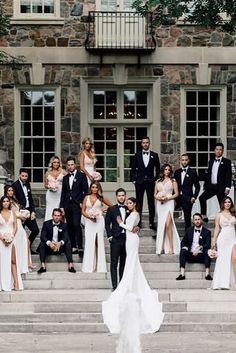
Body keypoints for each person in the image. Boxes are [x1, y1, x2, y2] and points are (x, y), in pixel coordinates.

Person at [102, 197, 164, 334]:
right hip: (128, 239)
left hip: (132, 239)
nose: (128, 205)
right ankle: (129, 282)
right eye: (128, 203)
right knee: (130, 261)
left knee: (131, 261)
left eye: (130, 203)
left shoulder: (135, 214)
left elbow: (131, 228)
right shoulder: (131, 214)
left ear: (135, 204)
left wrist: (120, 223)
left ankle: (130, 284)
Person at [59, 156, 88, 256]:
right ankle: (73, 246)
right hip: (67, 205)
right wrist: (61, 206)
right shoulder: (65, 178)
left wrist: (83, 203)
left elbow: (86, 191)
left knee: (76, 224)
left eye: (72, 164)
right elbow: (63, 193)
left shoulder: (81, 176)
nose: (70, 166)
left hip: (77, 204)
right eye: (68, 165)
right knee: (70, 226)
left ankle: (80, 247)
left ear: (75, 165)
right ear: (66, 166)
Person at [82, 181, 112, 273]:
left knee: (99, 242)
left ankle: (100, 266)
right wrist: (90, 217)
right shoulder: (86, 197)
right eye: (93, 187)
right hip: (89, 222)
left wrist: (102, 210)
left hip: (99, 221)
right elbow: (83, 211)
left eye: (96, 187)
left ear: (99, 188)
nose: (94, 189)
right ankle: (89, 266)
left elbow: (112, 206)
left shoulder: (101, 198)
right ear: (90, 188)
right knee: (90, 242)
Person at [131, 136, 160, 229]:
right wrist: (134, 180)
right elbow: (133, 169)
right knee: (138, 202)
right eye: (143, 142)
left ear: (149, 143)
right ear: (141, 144)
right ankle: (138, 222)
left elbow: (158, 169)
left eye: (147, 142)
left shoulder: (154, 155)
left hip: (150, 182)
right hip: (139, 182)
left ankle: (151, 222)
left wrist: (155, 179)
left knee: (151, 202)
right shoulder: (137, 155)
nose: (145, 144)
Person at [4, 185, 35, 273]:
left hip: (19, 224)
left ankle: (27, 263)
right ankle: (23, 263)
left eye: (12, 190)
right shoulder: (6, 201)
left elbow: (17, 211)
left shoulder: (14, 200)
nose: (11, 192)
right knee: (21, 243)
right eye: (9, 190)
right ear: (6, 191)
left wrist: (24, 213)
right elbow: (10, 213)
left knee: (26, 242)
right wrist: (21, 216)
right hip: (14, 223)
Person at [199, 142, 232, 222]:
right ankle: (204, 215)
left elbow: (228, 175)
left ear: (222, 151)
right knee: (202, 198)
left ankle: (225, 219)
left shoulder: (226, 162)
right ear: (214, 151)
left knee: (223, 205)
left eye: (220, 150)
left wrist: (227, 187)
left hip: (221, 187)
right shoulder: (211, 161)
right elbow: (208, 174)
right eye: (217, 149)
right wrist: (205, 186)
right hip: (211, 186)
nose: (218, 151)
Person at [37, 208, 76, 274]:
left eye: (58, 216)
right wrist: (49, 243)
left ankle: (71, 265)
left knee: (68, 243)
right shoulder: (46, 224)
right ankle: (43, 266)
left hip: (59, 248)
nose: (56, 217)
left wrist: (60, 243)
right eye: (55, 215)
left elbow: (66, 237)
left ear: (61, 217)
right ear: (52, 215)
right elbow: (42, 236)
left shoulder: (64, 225)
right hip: (50, 247)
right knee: (42, 244)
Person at [176, 213, 212, 281]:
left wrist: (199, 248)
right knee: (183, 250)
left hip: (201, 255)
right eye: (195, 219)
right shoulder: (189, 230)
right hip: (191, 255)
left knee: (208, 251)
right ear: (193, 221)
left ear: (201, 220)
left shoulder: (207, 232)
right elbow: (183, 241)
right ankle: (182, 274)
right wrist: (185, 247)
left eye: (198, 219)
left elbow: (208, 244)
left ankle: (207, 274)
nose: (197, 221)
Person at [105, 188, 128, 291]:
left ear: (125, 196)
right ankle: (114, 286)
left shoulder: (129, 208)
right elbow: (107, 223)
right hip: (115, 239)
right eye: (119, 195)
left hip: (126, 239)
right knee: (114, 263)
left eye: (123, 195)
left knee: (123, 263)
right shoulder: (112, 209)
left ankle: (122, 285)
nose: (121, 197)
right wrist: (110, 236)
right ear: (116, 197)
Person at [155, 164, 180, 255]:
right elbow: (155, 194)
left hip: (169, 203)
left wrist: (167, 198)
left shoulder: (173, 180)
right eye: (165, 169)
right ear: (163, 170)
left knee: (168, 223)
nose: (167, 171)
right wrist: (159, 198)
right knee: (162, 224)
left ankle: (171, 247)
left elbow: (176, 194)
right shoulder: (158, 181)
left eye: (169, 170)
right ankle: (161, 247)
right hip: (160, 204)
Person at [12, 168, 39, 254]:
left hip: (29, 211)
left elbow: (30, 199)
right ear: (19, 175)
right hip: (20, 213)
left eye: (26, 176)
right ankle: (21, 251)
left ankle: (28, 246)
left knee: (35, 230)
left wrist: (33, 211)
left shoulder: (27, 184)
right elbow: (14, 200)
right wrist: (19, 213)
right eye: (23, 176)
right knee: (21, 232)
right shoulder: (14, 185)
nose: (24, 178)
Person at [211, 197, 236, 289]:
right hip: (223, 239)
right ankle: (222, 283)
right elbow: (217, 228)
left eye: (229, 202)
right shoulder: (219, 215)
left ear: (231, 203)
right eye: (225, 202)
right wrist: (214, 242)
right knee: (223, 259)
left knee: (234, 258)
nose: (227, 203)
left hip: (233, 238)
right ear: (223, 204)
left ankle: (234, 282)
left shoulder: (234, 214)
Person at [0, 196, 23, 291]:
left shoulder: (12, 213)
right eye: (4, 201)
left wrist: (11, 237)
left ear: (9, 202)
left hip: (12, 239)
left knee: (13, 261)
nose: (6, 203)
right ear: (1, 203)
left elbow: (15, 227)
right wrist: (3, 239)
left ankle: (16, 283)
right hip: (1, 240)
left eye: (7, 201)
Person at [174, 153, 200, 230]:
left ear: (188, 161)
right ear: (180, 161)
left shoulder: (192, 172)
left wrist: (194, 197)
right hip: (177, 197)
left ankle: (187, 237)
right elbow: (174, 185)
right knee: (170, 215)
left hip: (188, 198)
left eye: (186, 160)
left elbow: (197, 186)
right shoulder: (177, 172)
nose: (184, 162)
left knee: (187, 218)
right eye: (182, 160)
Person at [44, 156, 66, 221]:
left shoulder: (63, 172)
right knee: (50, 210)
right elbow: (45, 185)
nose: (56, 164)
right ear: (52, 163)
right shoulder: (47, 173)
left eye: (58, 162)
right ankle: (49, 225)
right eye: (54, 162)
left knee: (59, 210)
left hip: (60, 194)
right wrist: (50, 187)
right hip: (50, 195)